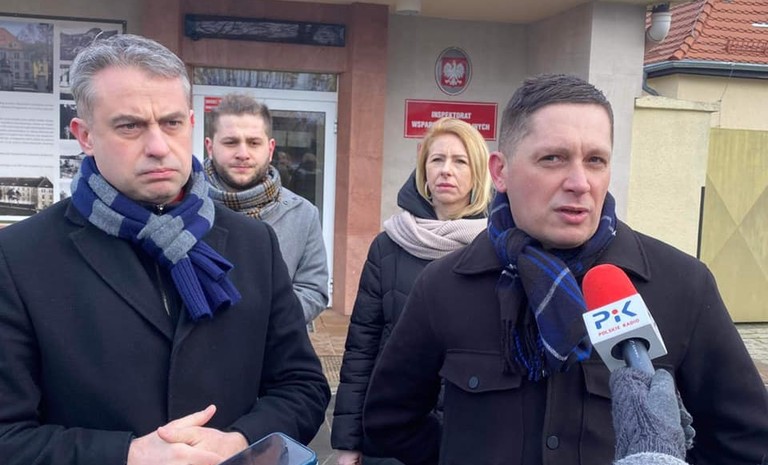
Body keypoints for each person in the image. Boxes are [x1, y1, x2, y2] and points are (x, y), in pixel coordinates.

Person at [362, 74, 768, 465]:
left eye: (595, 160)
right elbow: (389, 420)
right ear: (500, 172)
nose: (579, 182)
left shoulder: (681, 285)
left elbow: (745, 438)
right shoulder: (444, 286)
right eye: (553, 158)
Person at [0, 34, 330, 465]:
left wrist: (239, 440)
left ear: (191, 123)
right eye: (129, 126)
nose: (158, 146)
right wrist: (127, 455)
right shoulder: (19, 257)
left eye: (171, 123)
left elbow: (302, 386)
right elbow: (8, 434)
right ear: (84, 135)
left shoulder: (253, 243)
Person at [332, 117, 493, 465]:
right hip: (393, 435)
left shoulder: (496, 249)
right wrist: (348, 441)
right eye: (437, 159)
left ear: (478, 174)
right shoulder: (388, 245)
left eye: (460, 161)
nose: (446, 170)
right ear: (423, 171)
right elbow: (362, 348)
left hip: (471, 437)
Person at [204, 94, 329, 324]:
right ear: (210, 147)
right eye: (231, 142)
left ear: (270, 149)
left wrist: (263, 326)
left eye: (254, 143)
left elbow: (313, 291)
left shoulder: (303, 215)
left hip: (273, 344)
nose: (243, 154)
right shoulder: (185, 206)